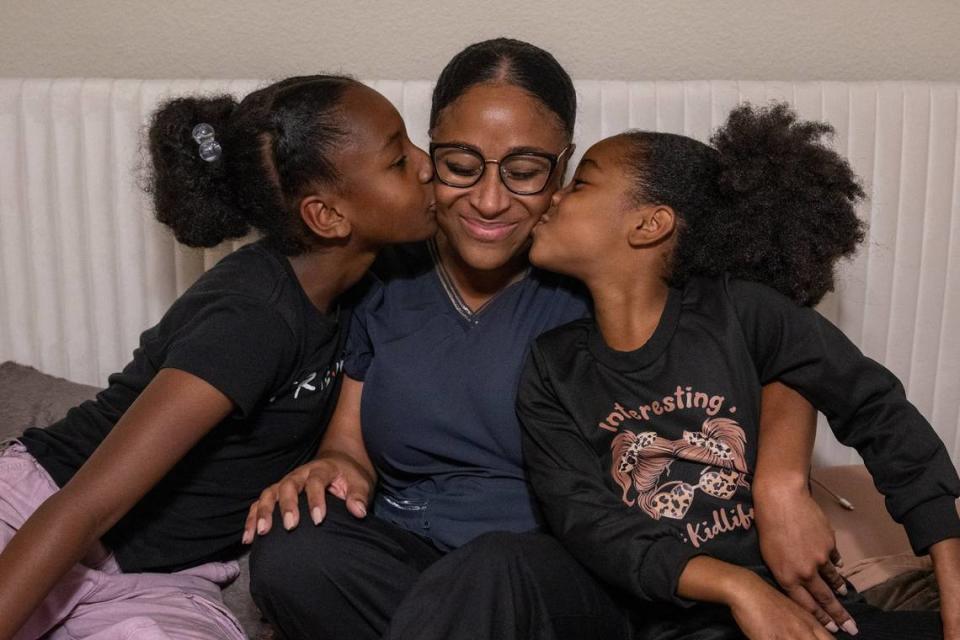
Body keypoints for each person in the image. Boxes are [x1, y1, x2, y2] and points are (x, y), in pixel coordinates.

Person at [247, 41, 854, 640]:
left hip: (553, 569)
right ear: (427, 154)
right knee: (291, 556)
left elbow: (775, 343)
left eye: (525, 171)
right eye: (460, 165)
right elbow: (349, 444)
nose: (489, 199)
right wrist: (334, 466)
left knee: (494, 572)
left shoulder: (598, 270)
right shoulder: (387, 267)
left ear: (561, 169)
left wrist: (781, 481)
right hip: (408, 558)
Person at [0, 74, 436, 640]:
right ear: (327, 216)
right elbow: (83, 508)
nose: (427, 165)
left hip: (166, 578)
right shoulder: (252, 317)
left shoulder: (370, 283)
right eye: (398, 160)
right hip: (38, 518)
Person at [517, 102, 960, 640]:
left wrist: (952, 577)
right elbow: (586, 521)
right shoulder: (552, 365)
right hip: (679, 626)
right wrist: (737, 587)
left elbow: (876, 409)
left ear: (649, 223)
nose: (553, 196)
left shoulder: (740, 312)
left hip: (822, 616)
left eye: (580, 183)